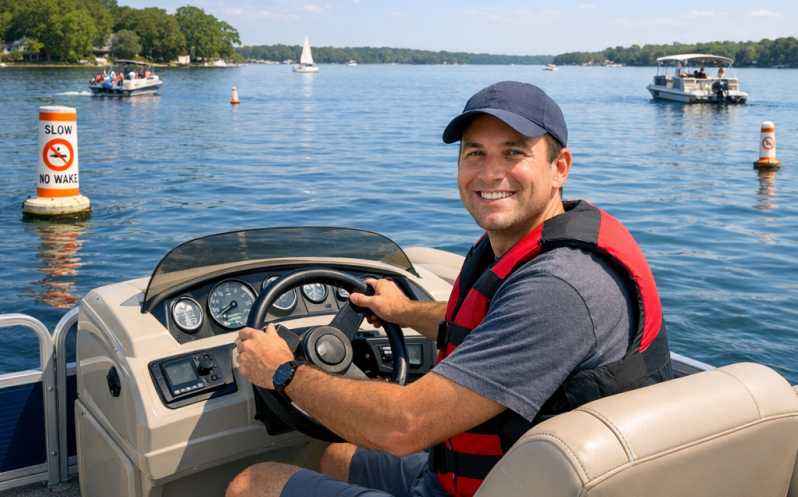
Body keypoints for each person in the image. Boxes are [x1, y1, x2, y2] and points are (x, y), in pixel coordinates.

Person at [230, 81, 672, 497]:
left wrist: (283, 372)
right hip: (500, 477)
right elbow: (492, 324)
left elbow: (403, 427)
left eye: (513, 152)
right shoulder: (527, 244)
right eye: (475, 153)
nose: (490, 172)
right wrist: (402, 311)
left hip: (507, 487)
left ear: (559, 168)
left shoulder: (562, 286)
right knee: (335, 456)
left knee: (253, 484)